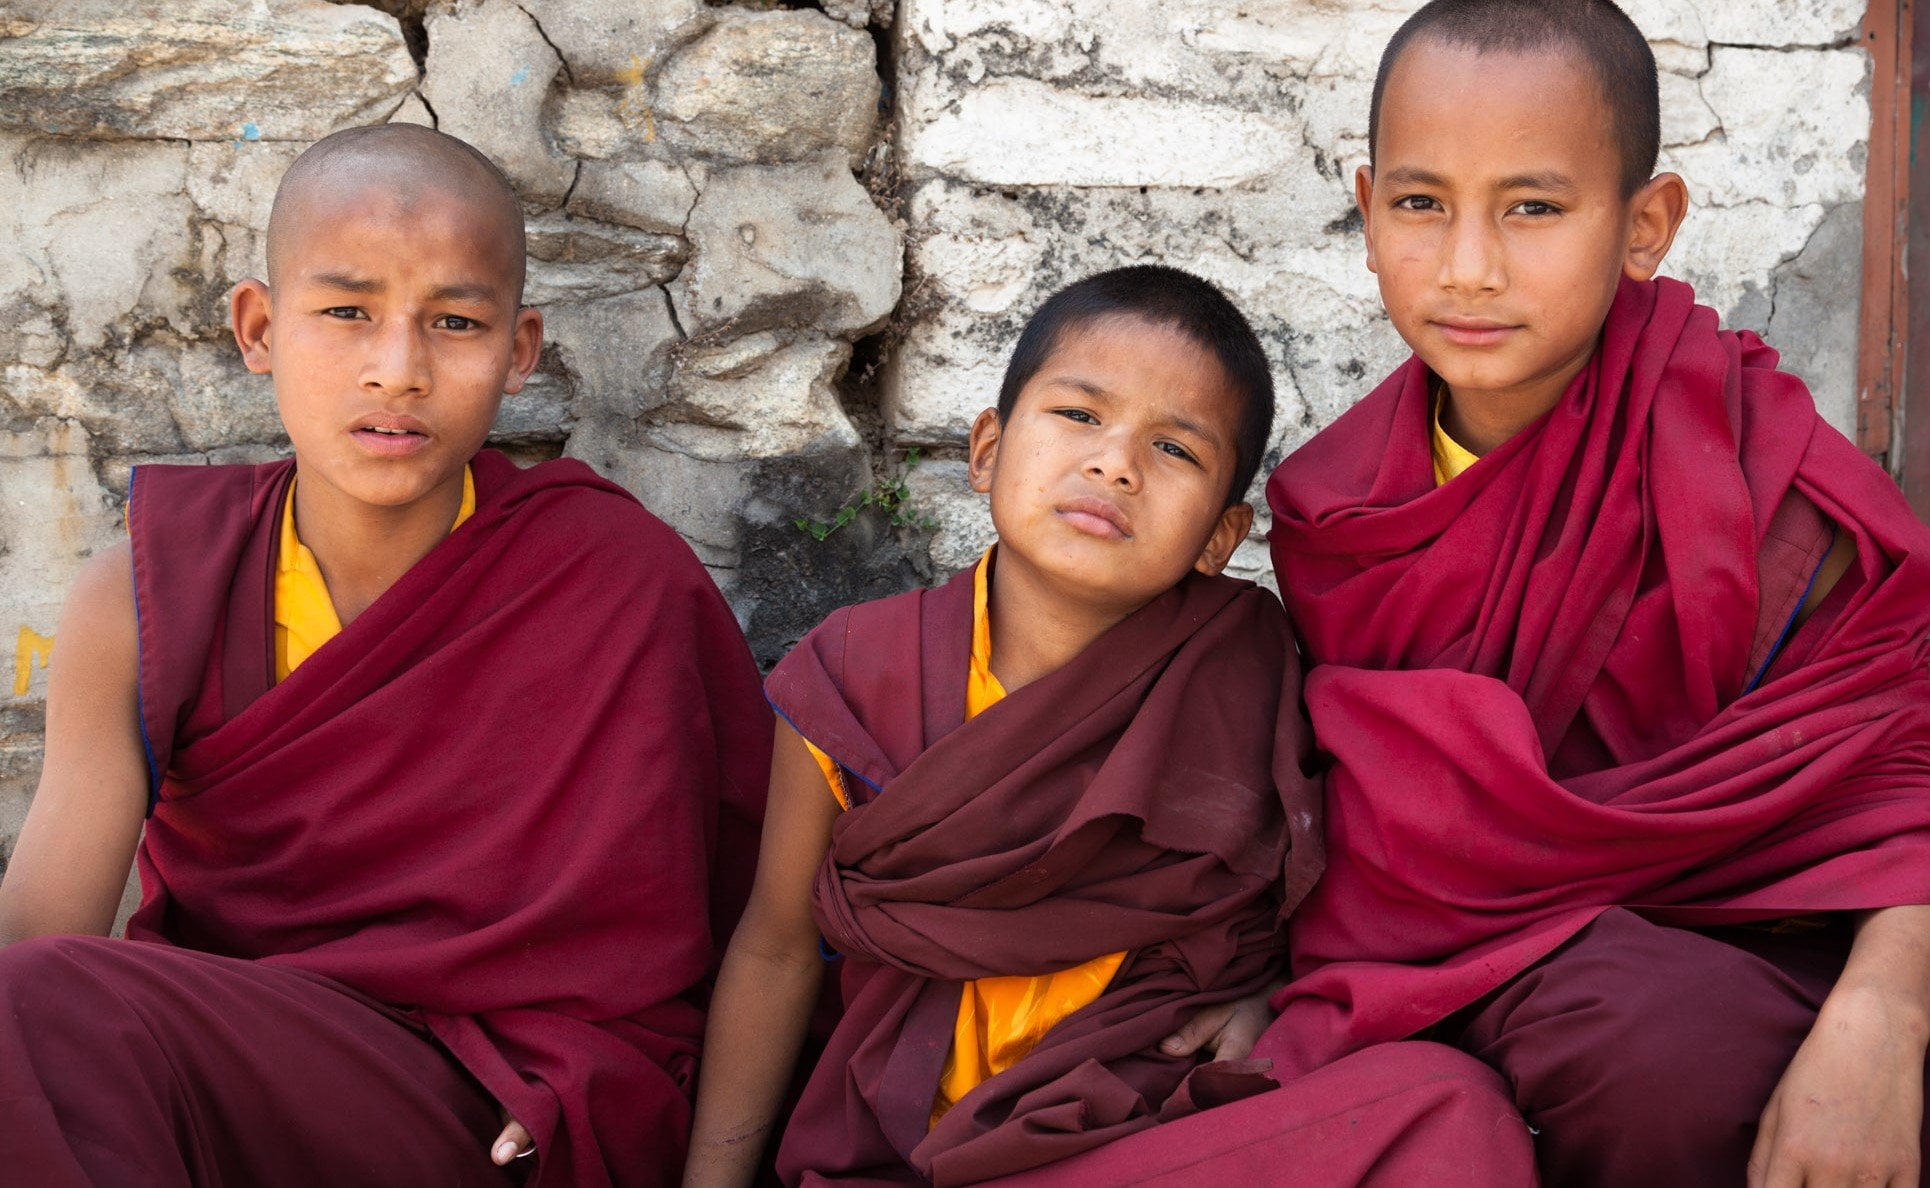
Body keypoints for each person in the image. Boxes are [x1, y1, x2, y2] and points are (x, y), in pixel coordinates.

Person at [0, 124, 769, 1187]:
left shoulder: (613, 578)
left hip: (498, 1099)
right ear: (259, 326)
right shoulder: (154, 593)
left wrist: (580, 1073)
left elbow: (714, 930)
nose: (398, 370)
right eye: (347, 312)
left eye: (454, 322)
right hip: (235, 1071)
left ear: (518, 350)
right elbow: (38, 949)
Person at [1259, 3, 1930, 1185]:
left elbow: (1901, 764)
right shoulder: (1337, 514)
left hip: (1743, 955)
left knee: (1671, 1041)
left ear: (1643, 224)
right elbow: (1353, 837)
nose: (1468, 266)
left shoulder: (1751, 468)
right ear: (1365, 214)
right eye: (1421, 204)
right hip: (1460, 962)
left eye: (1533, 207)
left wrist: (1885, 1016)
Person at [686, 266, 1534, 1186]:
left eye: (1176, 450)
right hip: (905, 1155)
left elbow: (1315, 906)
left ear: (1220, 537)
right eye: (1080, 416)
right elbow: (774, 948)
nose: (1116, 463)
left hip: (1139, 1135)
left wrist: (1275, 998)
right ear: (985, 451)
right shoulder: (856, 676)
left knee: (1446, 1110)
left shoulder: (1251, 678)